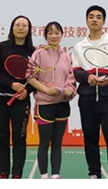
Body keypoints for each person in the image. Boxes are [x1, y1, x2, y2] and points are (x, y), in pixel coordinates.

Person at [71, 5, 108, 179]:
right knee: (90, 139)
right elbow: (76, 70)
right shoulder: (79, 46)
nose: (94, 19)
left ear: (104, 21)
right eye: (91, 16)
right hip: (87, 99)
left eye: (98, 17)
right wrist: (87, 77)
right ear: (86, 21)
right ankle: (94, 173)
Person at [0, 15, 35, 179]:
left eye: (24, 25)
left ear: (29, 29)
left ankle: (16, 175)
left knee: (19, 139)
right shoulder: (2, 47)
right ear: (12, 27)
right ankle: (3, 173)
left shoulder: (33, 52)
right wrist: (11, 84)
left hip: (21, 102)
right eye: (17, 25)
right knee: (2, 138)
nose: (21, 28)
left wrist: (27, 90)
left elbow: (35, 78)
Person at [27, 22, 76, 179]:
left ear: (62, 35)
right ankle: (44, 176)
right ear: (45, 35)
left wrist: (69, 90)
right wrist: (46, 90)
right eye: (50, 33)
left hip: (62, 105)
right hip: (44, 106)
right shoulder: (38, 54)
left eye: (57, 33)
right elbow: (30, 77)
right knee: (44, 143)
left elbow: (71, 79)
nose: (54, 36)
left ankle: (55, 175)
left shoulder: (67, 57)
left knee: (57, 143)